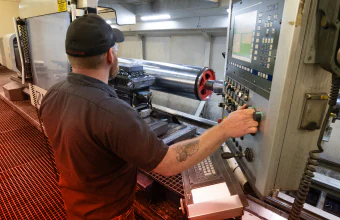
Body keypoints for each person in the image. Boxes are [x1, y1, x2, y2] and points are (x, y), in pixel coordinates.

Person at [40, 14, 258, 220]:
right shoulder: (113, 113)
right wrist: (225, 129)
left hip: (75, 203)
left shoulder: (52, 95)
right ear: (109, 55)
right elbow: (168, 164)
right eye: (115, 48)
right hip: (109, 212)